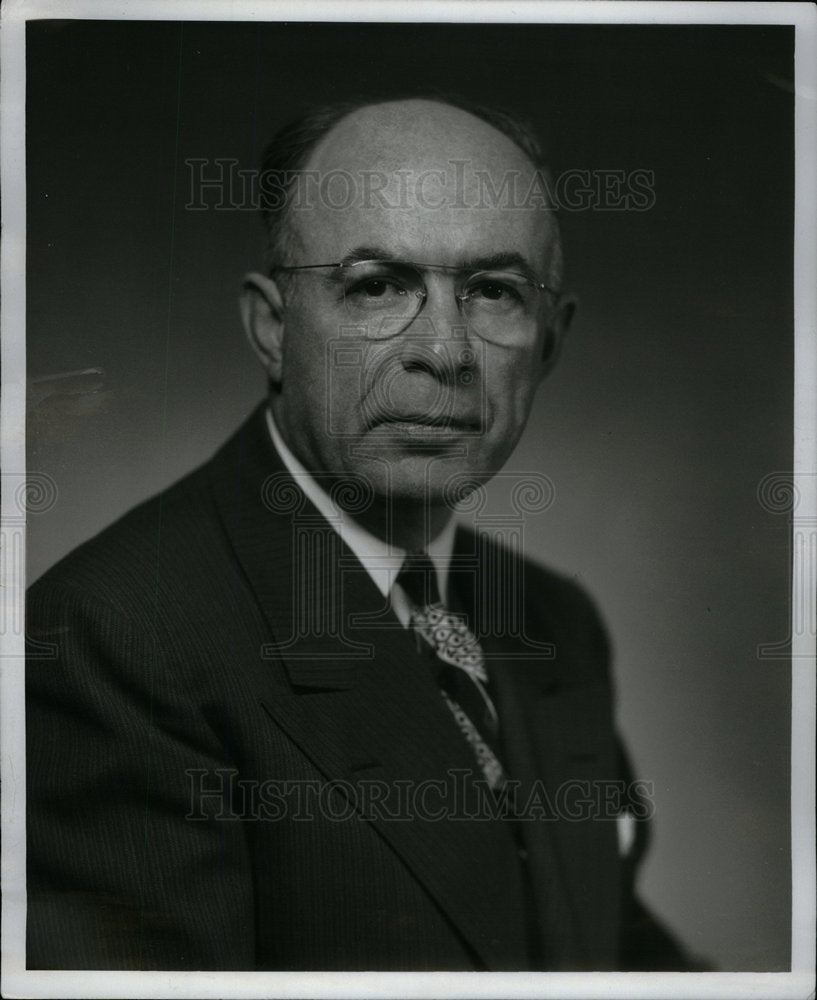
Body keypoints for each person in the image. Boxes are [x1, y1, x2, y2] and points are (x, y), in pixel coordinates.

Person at [26, 96, 694, 971]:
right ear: (272, 327)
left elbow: (612, 961)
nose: (445, 352)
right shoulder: (112, 639)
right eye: (378, 286)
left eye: (493, 292)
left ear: (550, 341)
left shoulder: (555, 620)